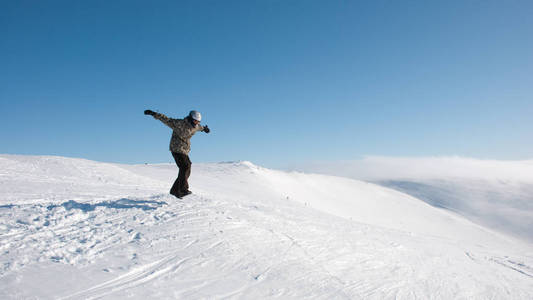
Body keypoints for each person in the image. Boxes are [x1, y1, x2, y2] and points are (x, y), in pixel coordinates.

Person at [144, 109, 210, 198]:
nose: (196, 123)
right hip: (176, 148)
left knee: (186, 169)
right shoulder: (179, 123)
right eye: (195, 120)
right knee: (185, 166)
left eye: (198, 121)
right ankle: (182, 190)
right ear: (190, 118)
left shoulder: (196, 126)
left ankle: (175, 190)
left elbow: (200, 128)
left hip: (184, 150)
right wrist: (154, 114)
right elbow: (166, 120)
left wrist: (204, 129)